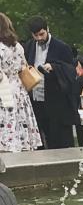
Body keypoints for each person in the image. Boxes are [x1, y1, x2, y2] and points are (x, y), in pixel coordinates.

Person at [22, 16, 78, 149]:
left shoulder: (61, 47)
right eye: (36, 35)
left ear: (47, 29)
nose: (39, 38)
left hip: (55, 100)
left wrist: (54, 67)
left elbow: (71, 71)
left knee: (58, 138)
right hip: (36, 97)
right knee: (39, 136)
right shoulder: (29, 46)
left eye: (42, 34)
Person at [0, 12, 42, 152]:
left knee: (6, 119)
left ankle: (7, 146)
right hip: (18, 88)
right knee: (20, 118)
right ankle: (22, 144)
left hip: (3, 88)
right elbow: (23, 65)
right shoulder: (17, 46)